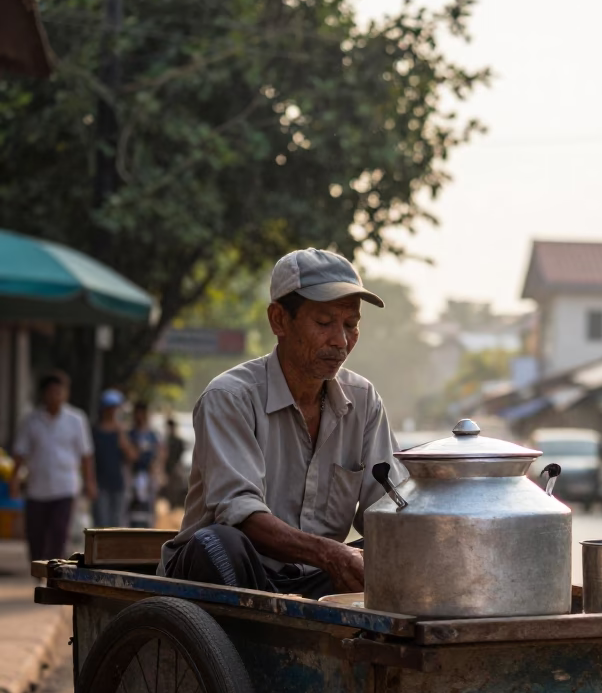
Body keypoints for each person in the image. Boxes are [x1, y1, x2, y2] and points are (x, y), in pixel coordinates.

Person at [160, 248, 404, 599]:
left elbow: (386, 510)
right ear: (279, 321)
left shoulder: (363, 401)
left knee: (400, 551)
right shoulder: (230, 397)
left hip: (315, 578)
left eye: (351, 325)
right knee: (218, 542)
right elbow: (240, 513)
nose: (340, 340)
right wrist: (332, 554)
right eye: (324, 323)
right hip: (231, 575)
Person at [10, 370, 95, 562]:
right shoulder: (31, 421)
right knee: (36, 534)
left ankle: (54, 573)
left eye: (60, 391)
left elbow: (86, 454)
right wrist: (14, 479)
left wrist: (90, 481)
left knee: (59, 532)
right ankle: (38, 568)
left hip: (65, 486)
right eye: (52, 391)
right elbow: (19, 453)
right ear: (43, 393)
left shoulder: (76, 419)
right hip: (37, 488)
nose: (56, 396)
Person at [92, 389, 137, 527]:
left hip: (118, 483)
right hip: (100, 483)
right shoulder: (95, 431)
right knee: (101, 523)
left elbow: (132, 456)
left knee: (117, 523)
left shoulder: (122, 431)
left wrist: (121, 436)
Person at [127, 401, 162, 528]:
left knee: (148, 509)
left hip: (149, 476)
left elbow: (160, 454)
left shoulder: (153, 435)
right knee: (132, 509)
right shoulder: (130, 434)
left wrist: (157, 470)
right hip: (133, 475)